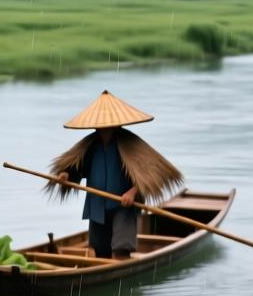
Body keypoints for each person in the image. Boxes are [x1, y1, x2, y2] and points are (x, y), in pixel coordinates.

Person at [47, 90, 184, 259]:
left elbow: (154, 175)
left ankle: (120, 274)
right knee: (100, 251)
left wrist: (132, 192)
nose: (102, 127)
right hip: (97, 205)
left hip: (123, 206)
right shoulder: (89, 145)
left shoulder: (131, 144)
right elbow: (76, 169)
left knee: (121, 249)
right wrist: (65, 177)